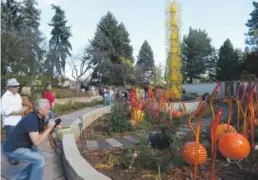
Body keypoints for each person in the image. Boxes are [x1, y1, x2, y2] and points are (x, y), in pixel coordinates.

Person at [2, 99, 56, 180]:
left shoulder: (40, 117)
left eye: (49, 108)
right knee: (40, 160)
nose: (49, 111)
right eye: (47, 109)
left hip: (23, 146)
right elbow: (37, 141)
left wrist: (50, 127)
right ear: (40, 111)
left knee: (39, 159)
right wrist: (48, 129)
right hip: (12, 149)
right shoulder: (31, 120)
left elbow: (39, 134)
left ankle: (18, 178)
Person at [1, 78, 27, 165]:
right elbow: (3, 111)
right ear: (9, 87)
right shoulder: (5, 97)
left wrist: (23, 109)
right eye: (16, 86)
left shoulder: (17, 95)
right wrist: (16, 112)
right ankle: (11, 158)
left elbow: (18, 106)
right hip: (10, 122)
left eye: (18, 86)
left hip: (18, 121)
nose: (18, 87)